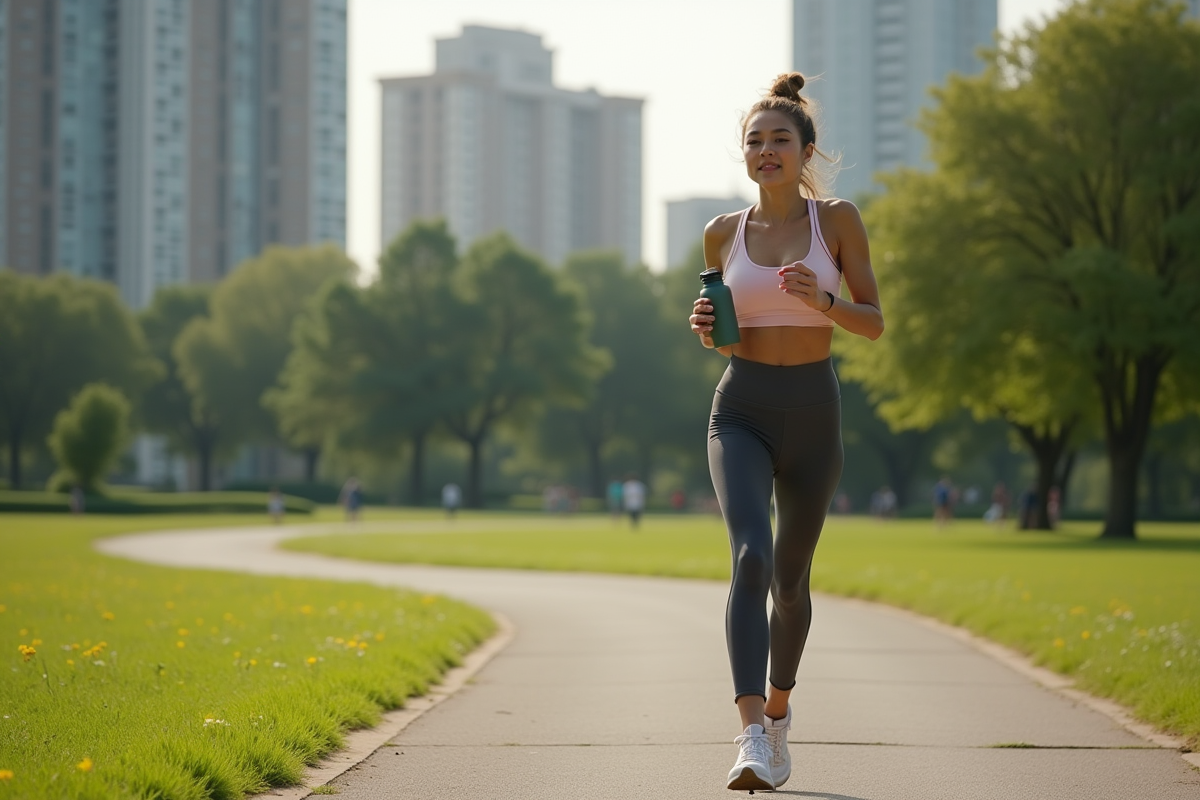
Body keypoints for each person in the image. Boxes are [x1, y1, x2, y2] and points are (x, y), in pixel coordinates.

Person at [688, 72, 883, 792]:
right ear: (744, 155)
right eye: (755, 141)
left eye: (780, 140)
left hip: (813, 414)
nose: (766, 151)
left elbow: (874, 321)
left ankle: (776, 717)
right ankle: (747, 735)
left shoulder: (836, 220)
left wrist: (824, 297)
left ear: (805, 151)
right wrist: (707, 329)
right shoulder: (721, 233)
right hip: (740, 408)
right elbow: (726, 336)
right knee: (751, 559)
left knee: (792, 586)